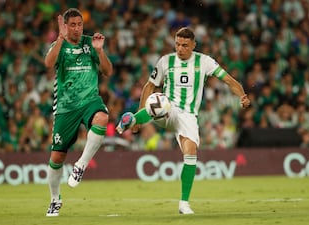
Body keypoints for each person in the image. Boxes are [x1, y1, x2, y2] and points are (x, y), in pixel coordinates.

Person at [116, 27, 250, 214]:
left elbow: (227, 79)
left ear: (194, 45)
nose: (180, 49)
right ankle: (131, 120)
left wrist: (242, 95)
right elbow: (150, 85)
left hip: (188, 116)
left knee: (191, 151)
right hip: (169, 109)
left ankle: (184, 203)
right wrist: (140, 115)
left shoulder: (204, 61)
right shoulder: (166, 61)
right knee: (159, 101)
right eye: (177, 44)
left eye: (185, 45)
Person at [44, 8, 113, 217]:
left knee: (102, 118)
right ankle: (55, 199)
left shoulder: (90, 43)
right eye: (72, 25)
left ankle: (80, 165)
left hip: (89, 100)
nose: (76, 28)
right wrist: (60, 39)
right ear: (65, 25)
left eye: (79, 24)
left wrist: (100, 51)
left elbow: (108, 72)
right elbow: (48, 64)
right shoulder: (59, 44)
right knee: (56, 157)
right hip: (66, 107)